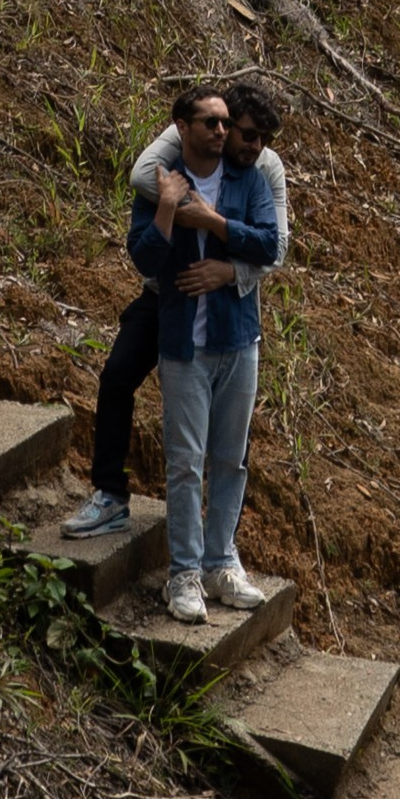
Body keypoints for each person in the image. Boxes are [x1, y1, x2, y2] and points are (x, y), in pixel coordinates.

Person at [67, 82, 288, 542]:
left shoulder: (264, 169)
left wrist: (228, 271)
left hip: (227, 297)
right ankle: (110, 493)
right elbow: (143, 176)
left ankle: (221, 548)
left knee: (230, 442)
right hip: (165, 294)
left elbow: (276, 246)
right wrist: (179, 205)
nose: (253, 144)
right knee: (118, 374)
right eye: (243, 132)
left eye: (263, 136)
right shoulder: (188, 139)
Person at [119, 83, 281, 622]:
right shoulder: (163, 183)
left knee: (231, 460)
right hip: (184, 346)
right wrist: (168, 211)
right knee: (185, 463)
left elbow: (267, 245)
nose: (219, 130)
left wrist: (214, 227)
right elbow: (143, 260)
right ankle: (184, 574)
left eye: (223, 122)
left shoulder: (249, 179)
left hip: (239, 341)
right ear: (182, 128)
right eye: (209, 122)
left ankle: (221, 562)